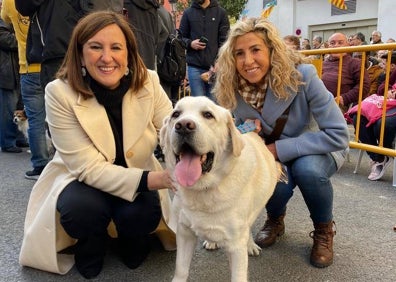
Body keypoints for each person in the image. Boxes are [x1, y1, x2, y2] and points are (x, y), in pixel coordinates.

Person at [18, 11, 176, 279]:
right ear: (80, 53)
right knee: (82, 209)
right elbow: (87, 168)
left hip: (135, 170)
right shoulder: (58, 92)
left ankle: (131, 238)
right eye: (95, 47)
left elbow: (171, 131)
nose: (107, 57)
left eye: (116, 47)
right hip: (83, 180)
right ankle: (91, 243)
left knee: (142, 214)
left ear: (128, 53)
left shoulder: (149, 81)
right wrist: (157, 179)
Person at [213, 17, 349, 268]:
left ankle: (323, 230)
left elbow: (339, 134)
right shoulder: (232, 87)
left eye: (255, 50)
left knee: (307, 171)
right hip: (272, 153)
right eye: (239, 53)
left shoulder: (303, 75)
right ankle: (275, 219)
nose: (247, 61)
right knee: (274, 179)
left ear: (272, 50)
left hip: (318, 145)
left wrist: (277, 149)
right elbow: (240, 132)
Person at [1, 0, 50, 179]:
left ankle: (40, 165)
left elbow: (5, 17)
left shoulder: (9, 1)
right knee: (60, 113)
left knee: (35, 119)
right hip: (52, 63)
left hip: (28, 66)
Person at [179, 0, 229, 98]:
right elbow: (180, 37)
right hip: (194, 67)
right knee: (199, 104)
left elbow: (225, 41)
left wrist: (219, 61)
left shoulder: (221, 13)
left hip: (215, 68)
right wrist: (191, 43)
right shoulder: (188, 13)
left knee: (213, 105)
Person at [321, 32, 370, 112]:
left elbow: (364, 85)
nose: (336, 45)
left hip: (338, 105)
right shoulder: (322, 63)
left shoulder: (355, 63)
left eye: (340, 43)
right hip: (317, 101)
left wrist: (344, 98)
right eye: (332, 43)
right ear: (328, 46)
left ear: (347, 45)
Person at [0, 10, 26, 153]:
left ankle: (19, 137)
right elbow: (8, 41)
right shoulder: (2, 21)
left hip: (18, 69)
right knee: (8, 109)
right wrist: (24, 36)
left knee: (20, 106)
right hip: (6, 72)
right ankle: (7, 142)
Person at [124, 0, 160, 70]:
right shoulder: (152, 6)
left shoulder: (123, 4)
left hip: (130, 57)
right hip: (148, 59)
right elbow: (156, 37)